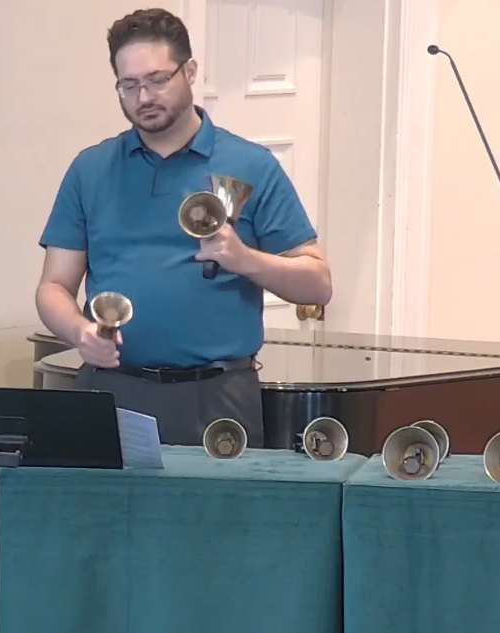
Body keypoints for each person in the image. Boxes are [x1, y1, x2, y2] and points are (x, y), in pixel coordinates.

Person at [34, 8, 332, 448]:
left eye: (157, 80)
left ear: (190, 71)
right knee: (103, 518)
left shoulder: (250, 166)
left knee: (215, 519)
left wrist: (245, 259)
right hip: (113, 387)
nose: (144, 97)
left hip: (217, 394)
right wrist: (80, 332)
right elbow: (53, 287)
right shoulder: (91, 169)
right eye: (129, 85)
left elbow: (318, 285)